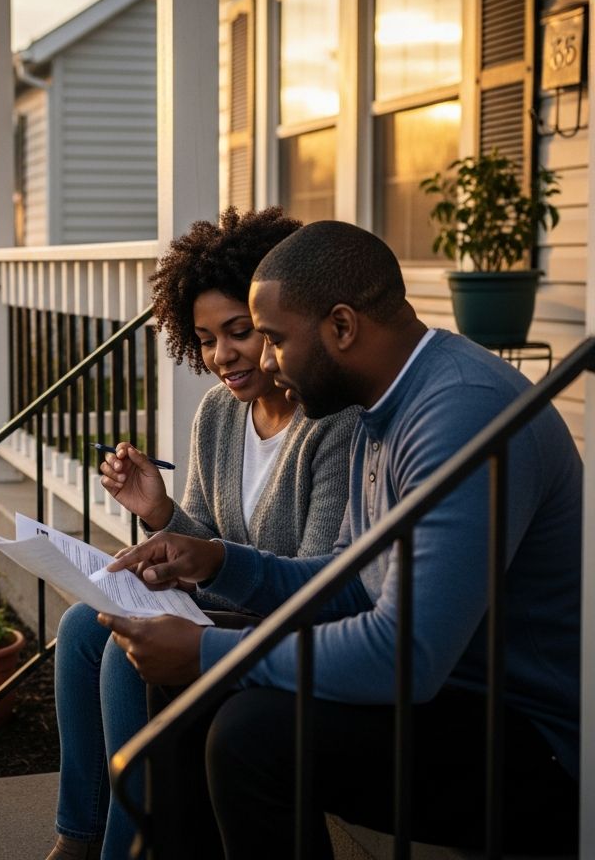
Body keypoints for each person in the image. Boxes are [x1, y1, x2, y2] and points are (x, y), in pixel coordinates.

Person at [102, 221, 581, 858]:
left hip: (535, 738)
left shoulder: (461, 413)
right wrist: (216, 561)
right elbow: (351, 580)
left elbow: (404, 653)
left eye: (273, 339)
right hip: (446, 695)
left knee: (251, 733)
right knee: (191, 681)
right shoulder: (381, 406)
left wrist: (212, 653)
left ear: (343, 327)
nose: (264, 361)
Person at [47, 208, 360, 860]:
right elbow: (204, 542)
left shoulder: (333, 422)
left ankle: (126, 849)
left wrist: (200, 561)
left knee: (122, 651)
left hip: (288, 630)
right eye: (206, 338)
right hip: (229, 606)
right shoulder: (219, 413)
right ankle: (77, 836)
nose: (222, 356)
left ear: (281, 320)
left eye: (240, 332)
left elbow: (312, 576)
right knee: (82, 625)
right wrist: (159, 515)